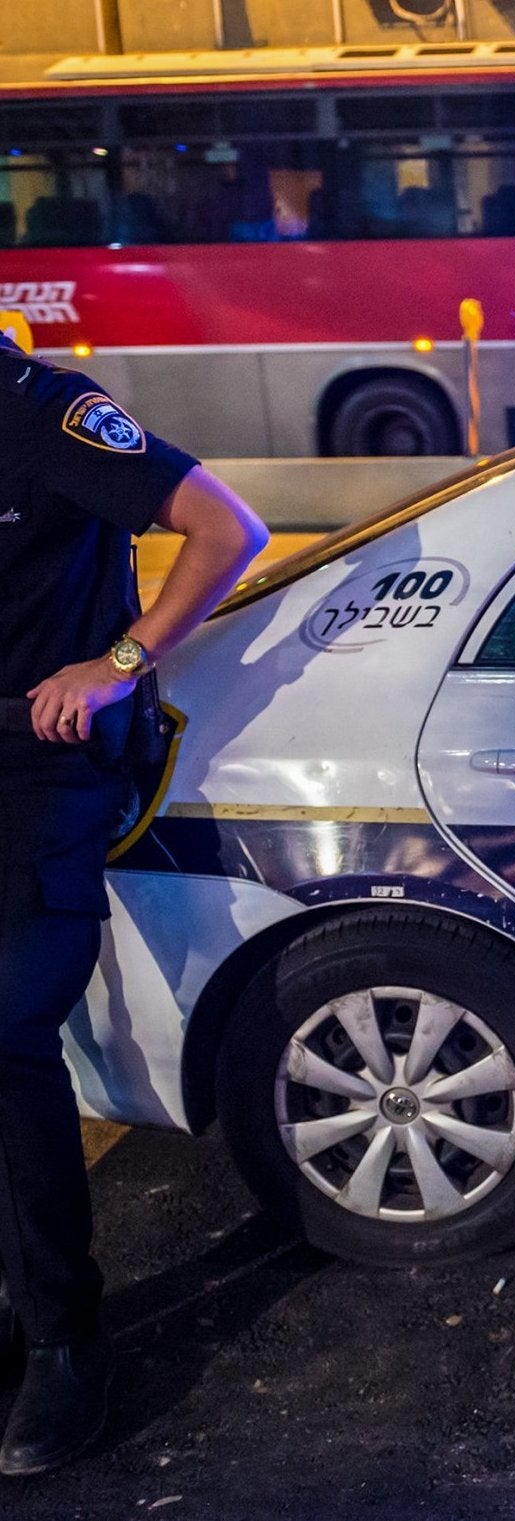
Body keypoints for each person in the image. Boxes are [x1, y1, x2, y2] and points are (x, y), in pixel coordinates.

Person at [0, 333, 267, 1476]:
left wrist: (113, 662)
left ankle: (64, 1339)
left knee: (6, 1033)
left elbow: (228, 530)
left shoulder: (46, 413)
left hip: (37, 777)